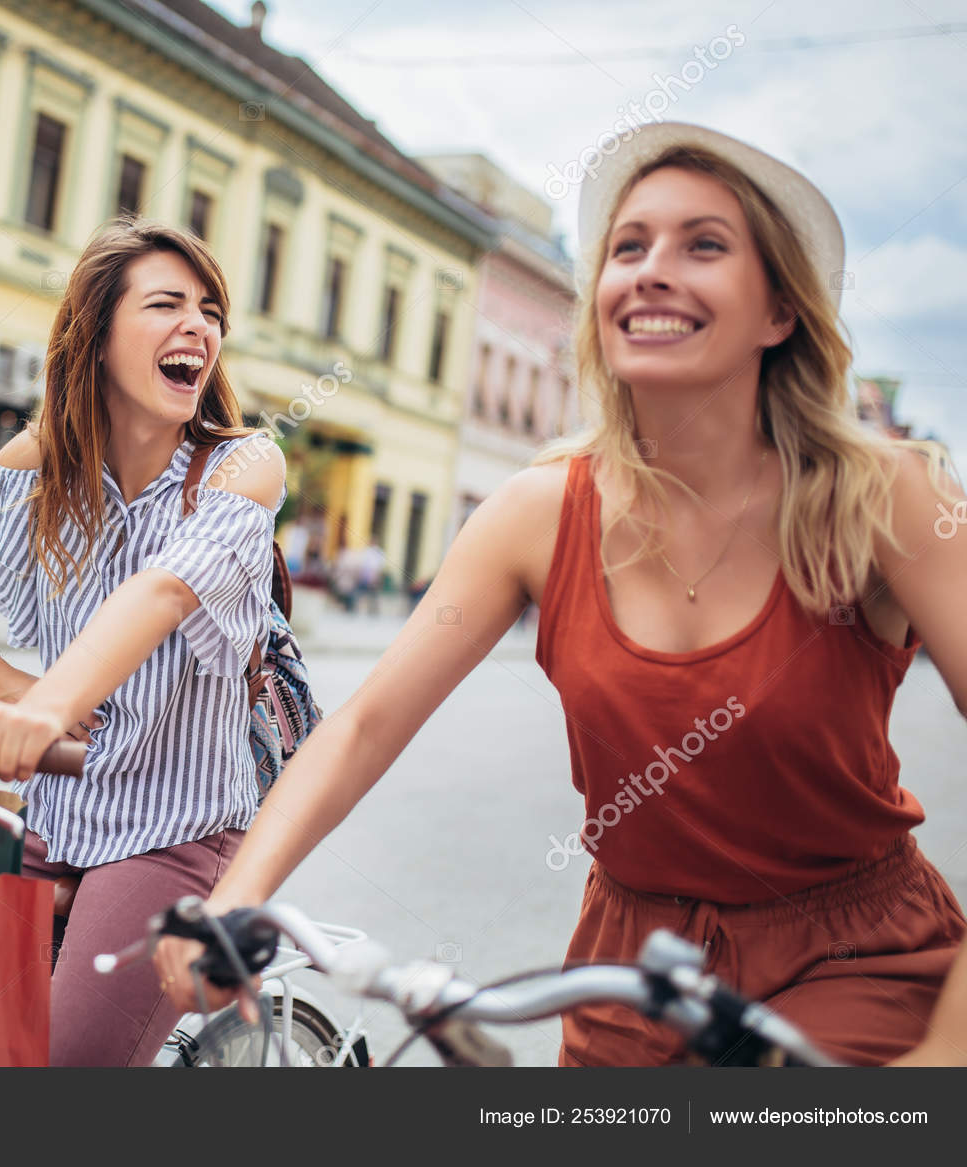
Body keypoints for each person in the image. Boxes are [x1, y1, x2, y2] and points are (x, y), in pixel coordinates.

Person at [153, 123, 967, 1067]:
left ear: (780, 311)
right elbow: (367, 722)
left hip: (854, 962)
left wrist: (947, 1048)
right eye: (629, 246)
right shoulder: (537, 513)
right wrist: (233, 899)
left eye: (703, 245)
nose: (652, 270)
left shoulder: (886, 496)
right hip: (632, 970)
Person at [0, 219, 286, 1067]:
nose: (200, 327)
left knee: (66, 1068)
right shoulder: (40, 465)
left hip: (173, 829)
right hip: (55, 814)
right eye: (167, 304)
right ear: (98, 335)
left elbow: (163, 590)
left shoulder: (242, 465)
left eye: (211, 310)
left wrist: (42, 711)